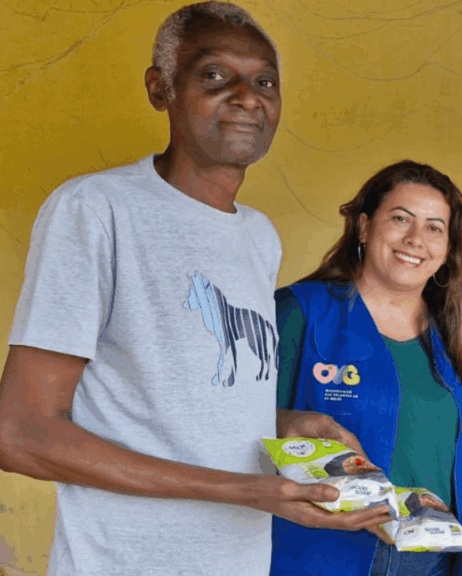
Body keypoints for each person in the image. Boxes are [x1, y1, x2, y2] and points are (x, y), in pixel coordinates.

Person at [0, 4, 393, 575]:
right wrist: (247, 490)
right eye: (214, 75)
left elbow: (179, 404)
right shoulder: (96, 210)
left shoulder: (257, 236)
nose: (247, 97)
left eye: (265, 82)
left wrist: (281, 424)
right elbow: (21, 434)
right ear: (160, 88)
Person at [272, 160, 462, 576]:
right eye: (401, 219)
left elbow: (454, 443)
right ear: (365, 227)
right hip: (325, 554)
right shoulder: (300, 312)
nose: (416, 239)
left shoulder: (457, 335)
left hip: (433, 559)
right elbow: (240, 427)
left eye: (434, 228)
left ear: (448, 249)